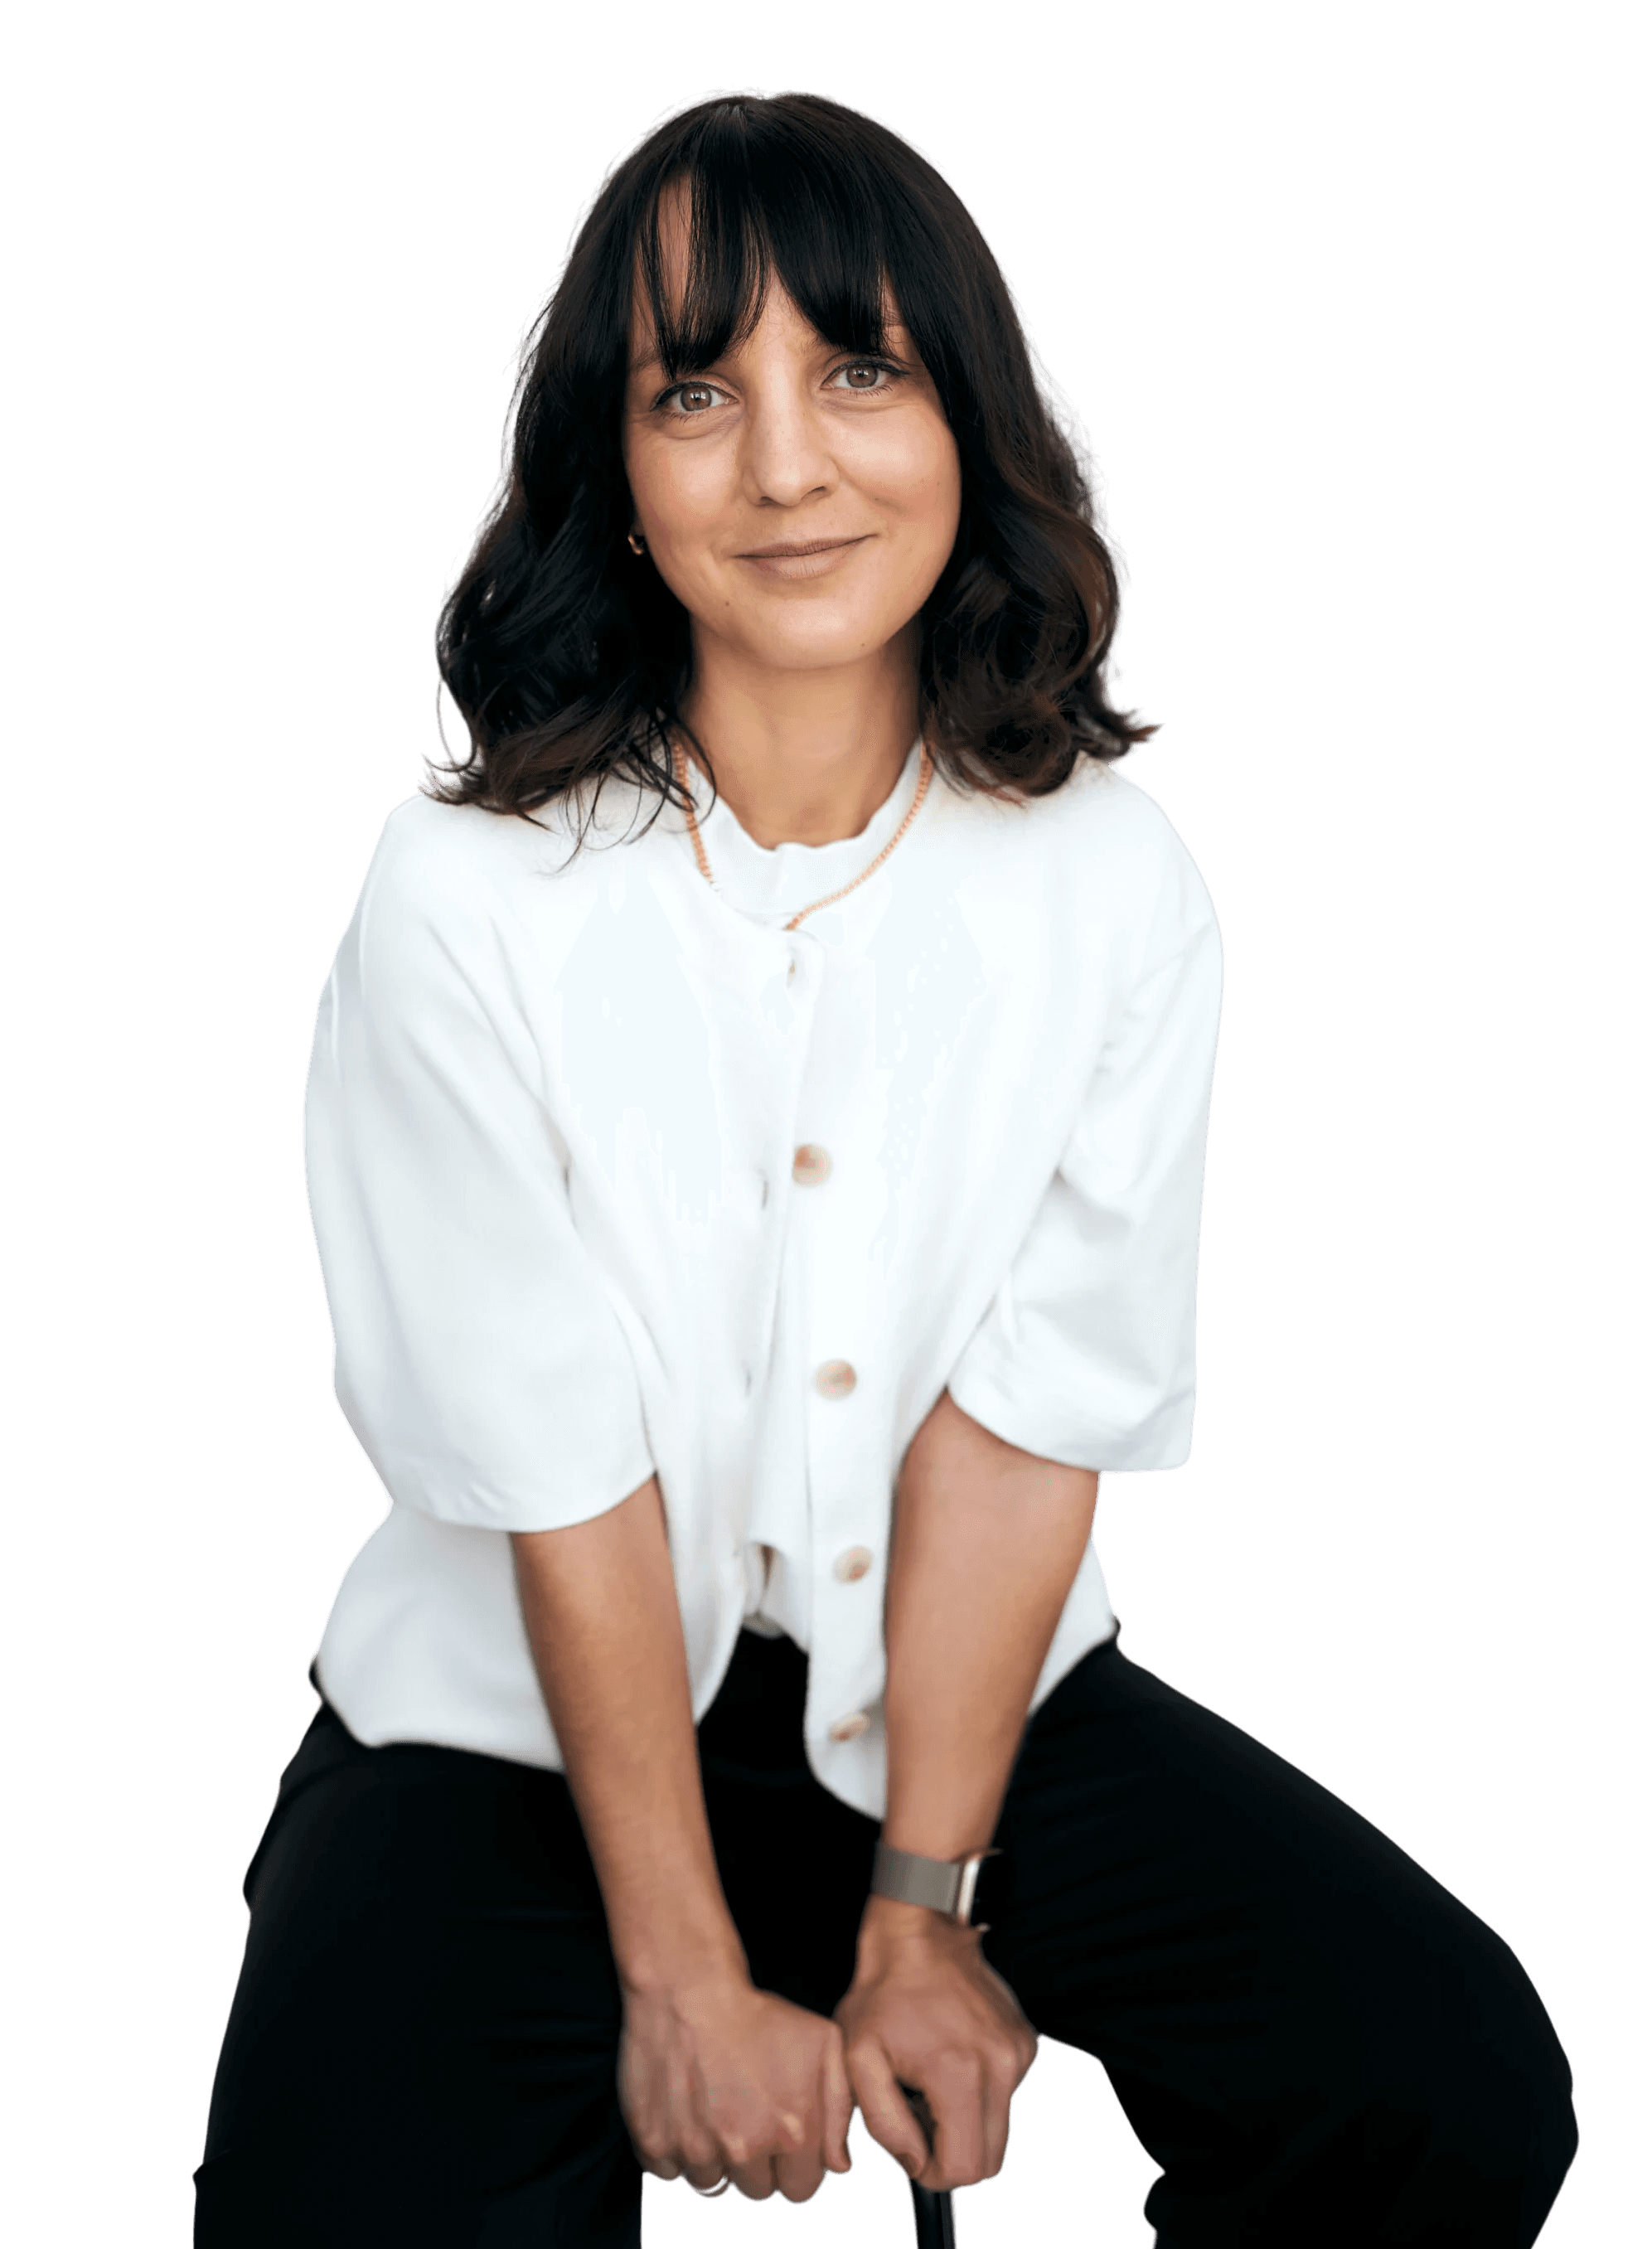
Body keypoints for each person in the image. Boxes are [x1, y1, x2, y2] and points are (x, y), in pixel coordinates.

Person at [192, 86, 1578, 2248]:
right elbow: (562, 1475)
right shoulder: (462, 898)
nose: (784, 464)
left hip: (945, 1690)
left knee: (1441, 2080)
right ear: (614, 475)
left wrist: (923, 1913)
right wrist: (685, 1977)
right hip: (517, 1728)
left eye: (858, 369)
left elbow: (1024, 1436)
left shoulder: (1114, 887)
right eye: (692, 392)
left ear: (971, 426)